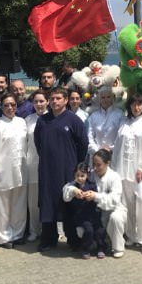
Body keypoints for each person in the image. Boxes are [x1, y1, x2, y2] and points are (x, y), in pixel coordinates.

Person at [35, 87, 88, 250]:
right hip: (47, 170)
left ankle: (73, 239)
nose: (55, 101)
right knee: (48, 202)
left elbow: (83, 144)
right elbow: (38, 143)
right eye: (52, 98)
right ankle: (49, 239)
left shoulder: (74, 120)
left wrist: (76, 164)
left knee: (68, 202)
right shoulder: (42, 121)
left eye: (58, 98)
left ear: (66, 100)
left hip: (68, 169)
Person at [112, 93, 142, 254]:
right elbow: (117, 147)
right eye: (133, 104)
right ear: (129, 106)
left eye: (139, 104)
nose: (136, 107)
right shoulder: (123, 122)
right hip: (123, 170)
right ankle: (131, 235)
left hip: (140, 172)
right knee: (127, 203)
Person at [0, 92, 29, 248]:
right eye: (6, 105)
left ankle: (18, 234)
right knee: (2, 206)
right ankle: (4, 237)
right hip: (2, 171)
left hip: (21, 170)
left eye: (13, 105)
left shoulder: (22, 122)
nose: (10, 108)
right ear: (1, 107)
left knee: (19, 205)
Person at [62, 162, 109, 259]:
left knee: (100, 230)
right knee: (89, 230)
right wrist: (74, 192)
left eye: (82, 176)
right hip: (82, 216)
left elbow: (98, 196)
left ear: (87, 175)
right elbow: (66, 195)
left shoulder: (92, 185)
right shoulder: (73, 186)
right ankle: (85, 249)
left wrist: (92, 195)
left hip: (94, 215)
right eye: (77, 175)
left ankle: (101, 248)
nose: (80, 178)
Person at [89, 148, 128, 257]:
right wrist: (74, 190)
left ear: (107, 163)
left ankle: (118, 247)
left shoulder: (114, 177)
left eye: (99, 165)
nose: (95, 168)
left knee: (116, 218)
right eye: (94, 164)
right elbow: (74, 183)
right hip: (96, 212)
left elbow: (114, 200)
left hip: (114, 210)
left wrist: (96, 196)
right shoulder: (91, 174)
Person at [23, 90, 47, 242]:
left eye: (42, 101)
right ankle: (34, 230)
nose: (39, 104)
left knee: (48, 200)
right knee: (32, 202)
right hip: (31, 164)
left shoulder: (52, 118)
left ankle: (50, 230)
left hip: (48, 165)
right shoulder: (27, 120)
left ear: (47, 102)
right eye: (36, 102)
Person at [86, 87, 123, 162]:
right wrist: (98, 150)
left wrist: (111, 149)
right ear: (99, 99)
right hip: (96, 156)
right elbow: (89, 136)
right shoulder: (93, 116)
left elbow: (121, 136)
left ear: (112, 98)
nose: (105, 100)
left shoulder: (120, 114)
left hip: (114, 155)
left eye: (108, 97)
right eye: (103, 97)